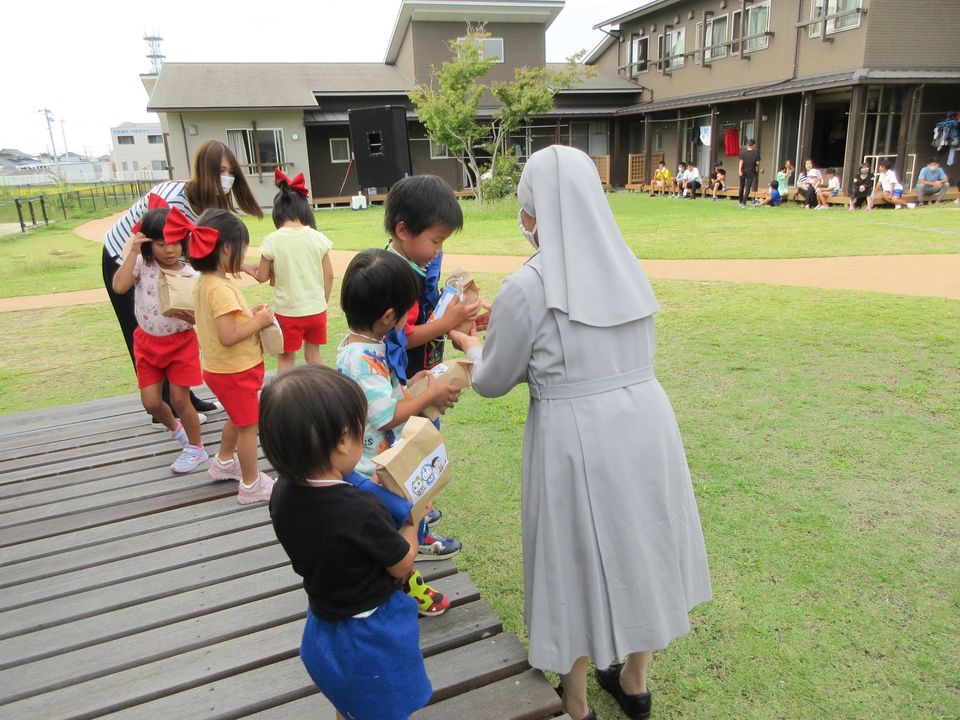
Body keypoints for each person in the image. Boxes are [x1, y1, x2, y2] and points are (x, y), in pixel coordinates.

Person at [450, 146, 711, 720]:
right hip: (645, 421)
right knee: (642, 542)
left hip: (574, 434)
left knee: (570, 556)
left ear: (536, 208)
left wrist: (470, 344)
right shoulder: (626, 262)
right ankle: (635, 681)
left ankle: (575, 699)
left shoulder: (529, 283)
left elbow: (492, 380)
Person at [263, 365, 431, 720]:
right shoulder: (360, 511)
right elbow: (402, 564)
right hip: (371, 635)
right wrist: (414, 518)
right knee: (384, 706)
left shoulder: (282, 493)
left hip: (325, 627)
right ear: (341, 441)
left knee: (351, 697)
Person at [337, 248, 462, 616]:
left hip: (379, 461)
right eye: (407, 310)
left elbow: (383, 395)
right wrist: (435, 393)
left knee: (397, 528)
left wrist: (414, 382)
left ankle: (397, 585)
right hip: (371, 472)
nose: (410, 318)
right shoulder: (361, 359)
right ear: (387, 316)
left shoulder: (365, 346)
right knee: (398, 530)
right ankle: (404, 590)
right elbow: (387, 415)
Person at [103, 140, 263, 422]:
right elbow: (169, 251)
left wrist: (243, 266)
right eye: (221, 171)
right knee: (146, 330)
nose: (227, 178)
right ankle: (166, 408)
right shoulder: (174, 202)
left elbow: (197, 255)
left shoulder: (204, 206)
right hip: (126, 258)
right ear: (205, 171)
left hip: (164, 262)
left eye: (230, 172)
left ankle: (185, 399)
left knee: (175, 328)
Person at [382, 175, 477, 560]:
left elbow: (429, 316)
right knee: (416, 458)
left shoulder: (411, 266)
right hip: (406, 389)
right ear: (403, 230)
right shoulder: (393, 276)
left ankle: (416, 515)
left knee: (420, 456)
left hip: (418, 380)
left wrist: (457, 318)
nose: (438, 250)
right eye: (435, 241)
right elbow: (401, 336)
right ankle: (415, 533)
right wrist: (445, 323)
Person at [109, 196, 208, 474]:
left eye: (175, 242)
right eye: (161, 243)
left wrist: (191, 317)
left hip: (180, 344)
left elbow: (201, 315)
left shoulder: (190, 274)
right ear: (148, 243)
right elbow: (119, 287)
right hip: (148, 343)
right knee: (151, 402)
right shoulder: (143, 265)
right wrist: (132, 252)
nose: (169, 250)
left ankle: (196, 448)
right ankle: (178, 430)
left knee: (179, 399)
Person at [189, 209, 275, 504]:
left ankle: (224, 462)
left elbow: (223, 325)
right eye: (243, 248)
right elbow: (228, 336)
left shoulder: (205, 282)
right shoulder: (221, 289)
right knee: (250, 427)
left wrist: (251, 315)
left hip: (221, 370)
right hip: (235, 371)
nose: (244, 254)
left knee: (239, 418)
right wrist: (259, 322)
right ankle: (251, 485)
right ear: (226, 247)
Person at [243, 169, 334, 373]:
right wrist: (323, 302)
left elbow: (262, 277)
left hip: (288, 312)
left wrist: (250, 270)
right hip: (316, 309)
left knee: (286, 359)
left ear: (277, 214)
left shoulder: (272, 241)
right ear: (304, 210)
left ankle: (284, 401)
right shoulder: (317, 238)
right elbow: (328, 275)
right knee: (314, 356)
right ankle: (326, 394)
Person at [738, 138, 760, 208]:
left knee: (741, 186)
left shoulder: (743, 153)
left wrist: (739, 170)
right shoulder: (756, 153)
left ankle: (740, 201)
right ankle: (744, 203)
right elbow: (757, 163)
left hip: (743, 171)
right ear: (753, 145)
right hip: (751, 171)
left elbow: (741, 162)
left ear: (748, 144)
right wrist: (757, 168)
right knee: (747, 187)